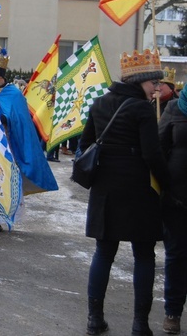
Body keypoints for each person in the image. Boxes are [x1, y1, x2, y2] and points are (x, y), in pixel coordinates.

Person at [80, 49, 168, 336]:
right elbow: (152, 155)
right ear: (139, 81)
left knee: (104, 253)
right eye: (153, 82)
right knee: (144, 255)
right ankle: (140, 324)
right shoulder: (142, 109)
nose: (157, 88)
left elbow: (86, 143)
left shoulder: (100, 103)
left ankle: (95, 319)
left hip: (105, 189)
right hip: (138, 191)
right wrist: (168, 186)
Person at [0, 51, 58, 232]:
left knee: (4, 176)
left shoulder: (13, 93)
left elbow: (19, 119)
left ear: (1, 76)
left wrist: (4, 119)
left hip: (7, 144)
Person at [158, 79, 187, 335]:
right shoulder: (176, 108)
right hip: (177, 198)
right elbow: (159, 147)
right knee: (177, 256)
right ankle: (173, 312)